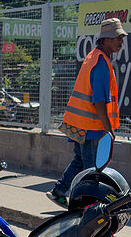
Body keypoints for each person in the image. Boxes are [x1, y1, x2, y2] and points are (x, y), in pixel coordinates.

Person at [49, 17, 125, 207]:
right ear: (106, 39)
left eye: (122, 37)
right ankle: (87, 204)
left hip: (78, 122)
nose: (121, 41)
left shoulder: (93, 57)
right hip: (91, 126)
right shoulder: (100, 62)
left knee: (80, 161)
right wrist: (109, 129)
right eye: (117, 37)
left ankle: (59, 191)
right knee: (91, 169)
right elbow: (98, 101)